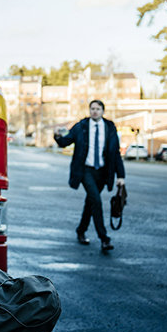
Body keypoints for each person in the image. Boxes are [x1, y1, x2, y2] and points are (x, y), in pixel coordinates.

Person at [54, 99, 126, 252]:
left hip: (103, 172)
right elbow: (65, 142)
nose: (95, 111)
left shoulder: (109, 127)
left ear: (102, 111)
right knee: (96, 200)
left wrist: (121, 175)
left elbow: (115, 153)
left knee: (91, 202)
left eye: (98, 109)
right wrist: (57, 136)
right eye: (92, 108)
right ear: (89, 110)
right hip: (85, 170)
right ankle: (104, 238)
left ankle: (81, 230)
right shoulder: (81, 126)